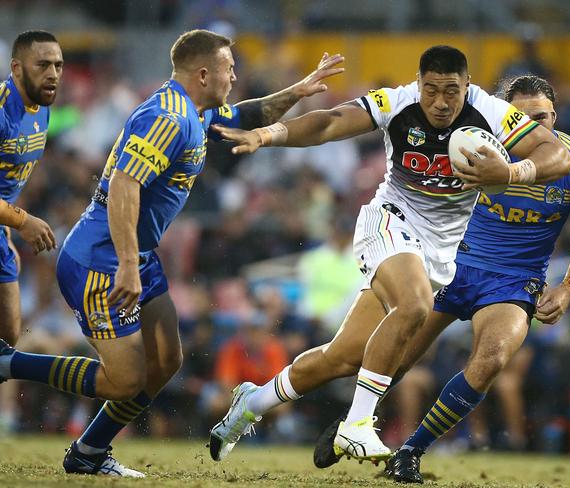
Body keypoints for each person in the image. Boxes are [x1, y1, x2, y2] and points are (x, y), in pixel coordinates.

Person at [0, 29, 343, 477]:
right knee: (123, 381)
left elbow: (247, 113)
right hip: (99, 258)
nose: (235, 74)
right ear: (204, 73)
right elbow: (125, 186)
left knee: (166, 362)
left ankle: (88, 453)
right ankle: (9, 363)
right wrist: (126, 263)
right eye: (228, 68)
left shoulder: (196, 111)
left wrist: (297, 91)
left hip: (136, 253)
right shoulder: (166, 116)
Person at [209, 46, 570, 463]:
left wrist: (512, 172)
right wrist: (269, 134)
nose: (438, 102)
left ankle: (251, 404)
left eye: (450, 91)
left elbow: (556, 155)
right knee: (414, 304)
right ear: (418, 85)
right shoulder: (397, 103)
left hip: (437, 252)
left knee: (342, 357)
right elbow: (330, 122)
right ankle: (357, 425)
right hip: (389, 221)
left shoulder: (491, 113)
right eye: (430, 90)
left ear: (467, 87)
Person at [380, 75, 570, 483]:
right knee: (396, 358)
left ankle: (411, 451)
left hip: (514, 280)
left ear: (555, 116)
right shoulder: (467, 146)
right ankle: (353, 423)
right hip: (452, 266)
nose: (534, 128)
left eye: (541, 118)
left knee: (492, 359)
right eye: (521, 119)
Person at [0, 31, 61, 346]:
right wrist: (22, 221)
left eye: (58, 65)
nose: (52, 74)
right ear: (17, 68)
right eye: (42, 65)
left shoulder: (43, 106)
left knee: (7, 338)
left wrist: (8, 224)